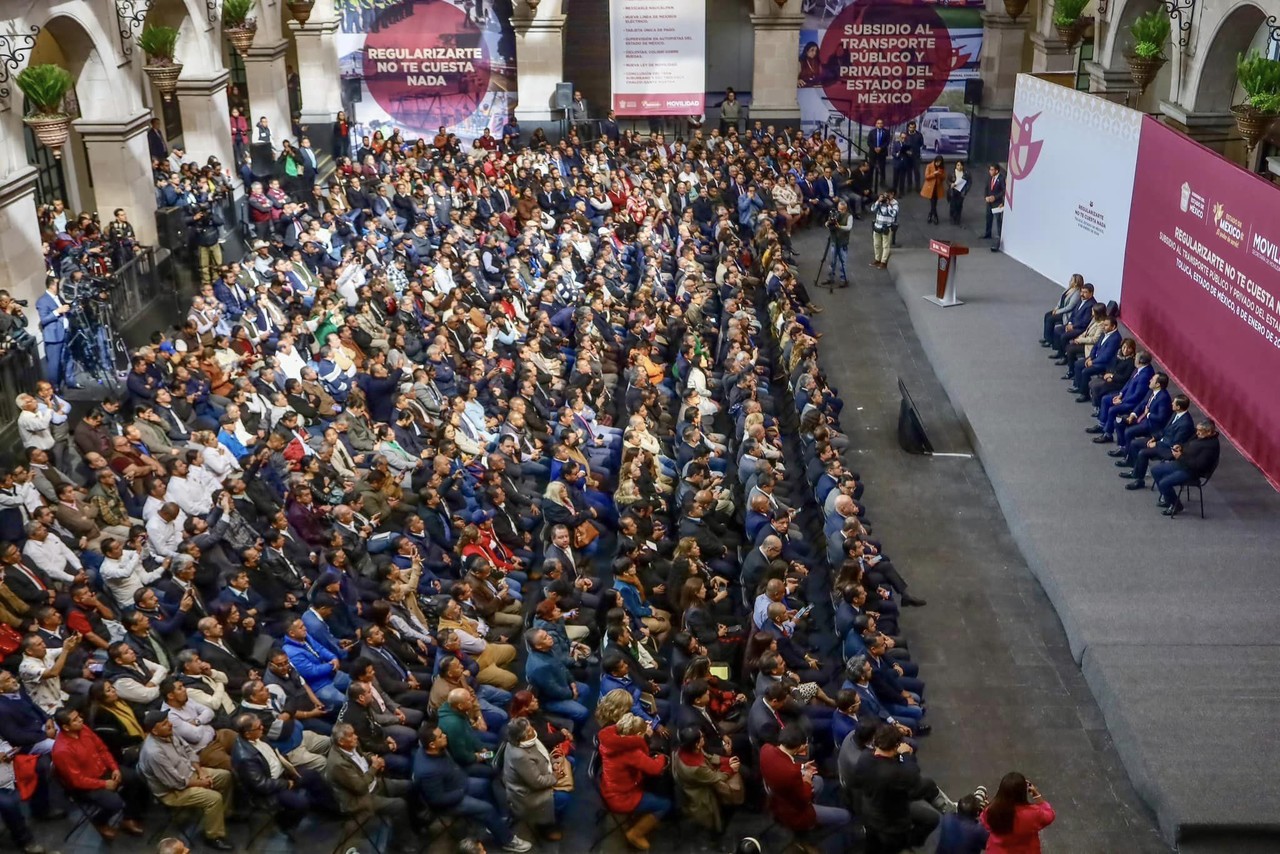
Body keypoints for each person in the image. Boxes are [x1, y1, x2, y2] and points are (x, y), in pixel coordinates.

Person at [137, 710, 235, 851]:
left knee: (225, 776)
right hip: (172, 792)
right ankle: (214, 836)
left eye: (168, 720)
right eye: (164, 723)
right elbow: (175, 783)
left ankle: (222, 816)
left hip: (190, 773)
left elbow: (189, 751)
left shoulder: (170, 733)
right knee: (214, 798)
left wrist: (201, 772)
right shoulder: (154, 753)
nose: (169, 724)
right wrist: (202, 783)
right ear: (155, 731)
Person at [51, 707, 148, 839]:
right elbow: (77, 780)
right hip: (85, 786)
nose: (81, 720)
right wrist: (103, 784)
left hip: (103, 771)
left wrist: (114, 768)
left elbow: (102, 749)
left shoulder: (83, 729)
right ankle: (99, 821)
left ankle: (128, 817)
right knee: (114, 803)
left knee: (134, 778)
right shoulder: (62, 750)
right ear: (66, 727)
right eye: (75, 720)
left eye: (79, 716)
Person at [597, 713, 670, 850]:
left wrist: (639, 728)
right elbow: (654, 768)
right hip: (622, 797)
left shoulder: (611, 741)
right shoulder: (631, 752)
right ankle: (635, 834)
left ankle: (647, 818)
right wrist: (661, 758)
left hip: (610, 789)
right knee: (665, 804)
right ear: (637, 735)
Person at [760, 724, 849, 831]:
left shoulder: (765, 749)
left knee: (819, 781)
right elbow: (803, 800)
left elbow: (783, 765)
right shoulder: (791, 774)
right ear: (801, 747)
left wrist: (802, 767)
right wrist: (806, 779)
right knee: (845, 816)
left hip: (778, 796)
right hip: (795, 810)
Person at [501, 716, 569, 842]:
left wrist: (553, 762)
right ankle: (544, 826)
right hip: (527, 794)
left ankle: (550, 820)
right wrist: (554, 776)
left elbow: (541, 754)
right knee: (563, 798)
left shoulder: (529, 741)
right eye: (528, 731)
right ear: (521, 737)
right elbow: (537, 782)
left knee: (570, 762)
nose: (532, 730)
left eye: (530, 727)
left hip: (538, 776)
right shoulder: (520, 755)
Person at [1151, 419, 1220, 517]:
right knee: (1156, 470)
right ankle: (1169, 499)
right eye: (1197, 430)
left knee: (1164, 483)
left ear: (1209, 432)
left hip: (1192, 472)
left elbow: (1199, 465)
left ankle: (1176, 506)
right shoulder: (1199, 436)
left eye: (1200, 431)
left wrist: (1180, 457)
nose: (1197, 433)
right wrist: (1180, 447)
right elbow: (1188, 444)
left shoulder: (1211, 446)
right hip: (1182, 463)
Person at [981, 772, 1055, 853]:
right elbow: (1050, 815)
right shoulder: (1033, 814)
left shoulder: (991, 811)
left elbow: (985, 823)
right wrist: (1037, 795)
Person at [824, 199, 852, 286]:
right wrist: (828, 223)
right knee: (832, 261)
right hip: (834, 241)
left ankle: (843, 279)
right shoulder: (834, 214)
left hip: (843, 242)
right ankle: (830, 277)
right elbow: (827, 225)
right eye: (839, 209)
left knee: (842, 262)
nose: (840, 211)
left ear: (845, 209)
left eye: (842, 209)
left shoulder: (849, 216)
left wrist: (839, 227)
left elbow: (849, 227)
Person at [870, 191, 899, 269]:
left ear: (892, 195)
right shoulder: (880, 202)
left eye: (889, 195)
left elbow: (893, 214)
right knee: (876, 244)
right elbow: (872, 209)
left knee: (885, 245)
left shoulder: (894, 204)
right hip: (877, 226)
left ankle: (883, 262)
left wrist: (888, 205)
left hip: (886, 227)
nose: (887, 197)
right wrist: (878, 201)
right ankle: (877, 259)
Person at [982, 163, 1006, 249]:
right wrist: (986, 197)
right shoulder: (989, 178)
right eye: (990, 170)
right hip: (989, 201)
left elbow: (1004, 191)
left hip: (997, 202)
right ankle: (987, 233)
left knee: (998, 220)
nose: (990, 172)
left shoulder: (1001, 179)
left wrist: (995, 197)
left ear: (997, 170)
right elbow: (986, 188)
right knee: (988, 217)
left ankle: (1000, 236)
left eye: (992, 170)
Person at [921, 155, 946, 225]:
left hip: (937, 188)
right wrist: (934, 174)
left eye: (939, 162)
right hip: (930, 188)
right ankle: (935, 216)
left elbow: (944, 177)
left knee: (934, 203)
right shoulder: (929, 166)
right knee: (933, 203)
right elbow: (926, 176)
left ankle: (930, 215)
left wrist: (940, 174)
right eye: (937, 162)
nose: (938, 164)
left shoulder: (941, 168)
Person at [947, 161, 970, 225]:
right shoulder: (952, 173)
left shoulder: (966, 173)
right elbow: (948, 180)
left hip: (961, 191)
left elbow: (969, 182)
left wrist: (965, 190)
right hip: (953, 191)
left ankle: (957, 218)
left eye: (961, 165)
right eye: (958, 165)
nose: (959, 167)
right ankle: (952, 217)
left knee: (959, 205)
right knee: (952, 205)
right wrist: (951, 184)